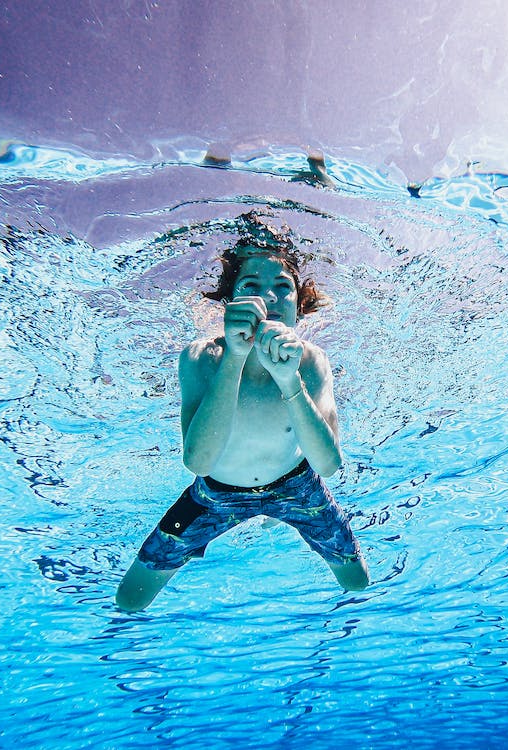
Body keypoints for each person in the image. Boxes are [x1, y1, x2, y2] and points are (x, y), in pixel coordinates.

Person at [115, 216, 369, 611]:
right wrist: (234, 357)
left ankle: (272, 516)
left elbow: (328, 464)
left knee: (357, 582)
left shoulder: (311, 362)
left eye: (282, 287)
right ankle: (261, 518)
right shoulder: (201, 358)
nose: (267, 298)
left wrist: (289, 382)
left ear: (299, 308)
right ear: (230, 303)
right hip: (215, 496)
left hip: (297, 488)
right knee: (130, 598)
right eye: (251, 286)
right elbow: (197, 461)